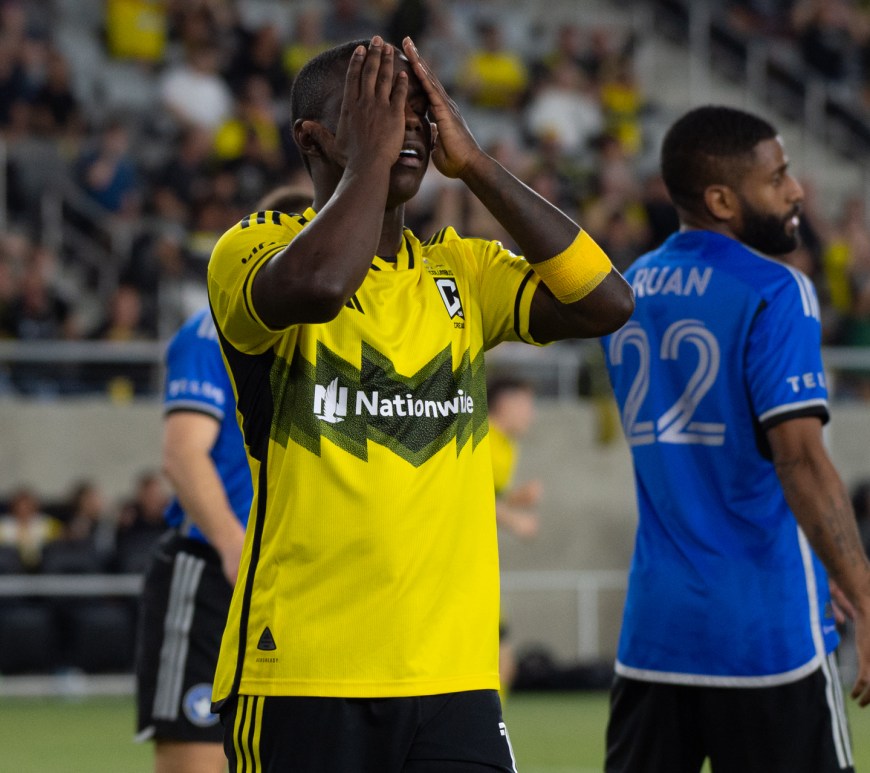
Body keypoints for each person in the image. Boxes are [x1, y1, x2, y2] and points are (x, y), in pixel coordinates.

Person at [206, 35, 633, 772]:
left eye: (415, 111)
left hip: (453, 679)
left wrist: (478, 166)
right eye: (376, 108)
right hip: (304, 672)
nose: (404, 125)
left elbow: (606, 301)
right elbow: (321, 286)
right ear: (312, 137)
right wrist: (371, 163)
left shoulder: (460, 269)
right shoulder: (254, 250)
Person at [601, 104, 870, 773]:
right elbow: (799, 458)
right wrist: (862, 590)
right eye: (777, 177)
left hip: (656, 633)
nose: (796, 190)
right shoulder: (777, 290)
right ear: (721, 199)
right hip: (765, 631)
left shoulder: (626, 291)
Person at [134, 306, 253, 773]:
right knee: (197, 756)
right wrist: (233, 545)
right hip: (214, 573)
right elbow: (183, 453)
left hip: (297, 578)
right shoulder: (210, 332)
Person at [487, 376, 541, 699]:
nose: (530, 414)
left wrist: (514, 499)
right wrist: (515, 521)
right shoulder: (482, 438)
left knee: (503, 663)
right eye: (526, 405)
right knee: (501, 662)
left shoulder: (508, 446)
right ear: (505, 403)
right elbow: (471, 497)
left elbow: (489, 497)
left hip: (480, 564)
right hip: (457, 565)